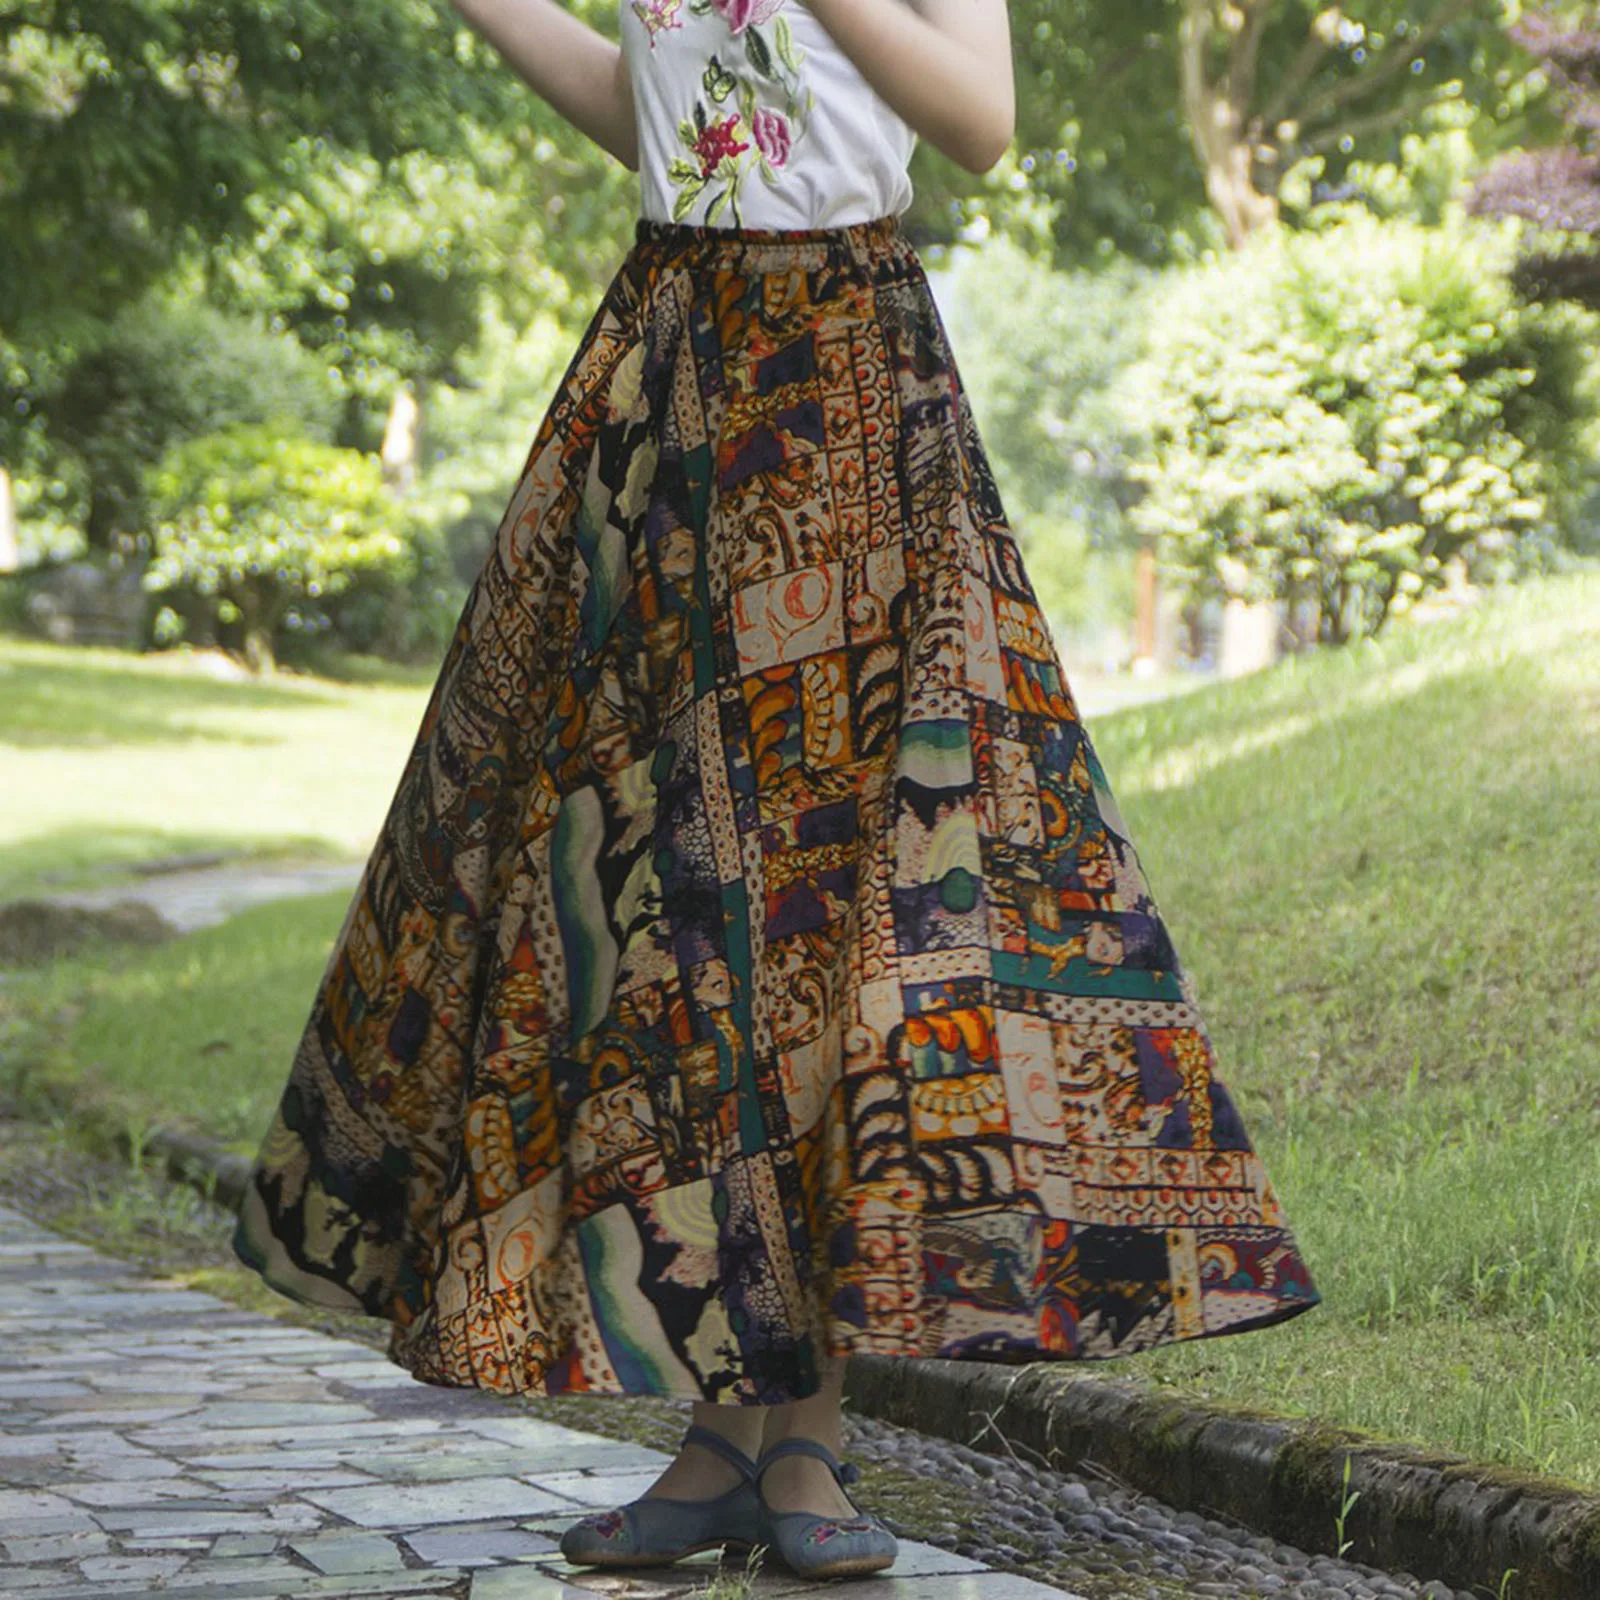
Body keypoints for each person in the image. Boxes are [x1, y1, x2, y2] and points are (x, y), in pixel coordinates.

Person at [231, 0, 1322, 1582]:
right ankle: (722, 1441)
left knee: (823, 913)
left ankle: (802, 1444)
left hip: (845, 390)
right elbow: (654, 111)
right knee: (677, 914)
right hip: (666, 373)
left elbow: (981, 122)